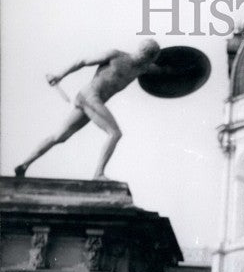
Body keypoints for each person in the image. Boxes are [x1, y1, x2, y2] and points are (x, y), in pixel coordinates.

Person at [15, 39, 161, 180]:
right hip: (90, 96)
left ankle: (24, 165)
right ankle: (98, 174)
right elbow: (83, 61)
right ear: (144, 54)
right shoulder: (115, 55)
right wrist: (59, 75)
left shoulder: (142, 69)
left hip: (91, 101)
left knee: (60, 137)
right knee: (115, 133)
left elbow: (166, 71)